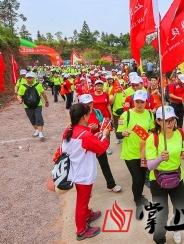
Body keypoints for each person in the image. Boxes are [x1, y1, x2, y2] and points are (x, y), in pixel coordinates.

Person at [62, 103, 111, 241]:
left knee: (84, 198)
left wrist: (94, 133)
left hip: (75, 171)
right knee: (81, 201)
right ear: (84, 117)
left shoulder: (69, 131)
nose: (90, 117)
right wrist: (105, 135)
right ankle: (81, 230)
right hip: (83, 173)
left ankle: (87, 214)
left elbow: (84, 143)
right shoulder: (84, 135)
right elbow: (101, 148)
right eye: (89, 114)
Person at [145, 106, 184, 244]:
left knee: (182, 211)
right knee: (161, 215)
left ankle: (175, 227)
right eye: (167, 120)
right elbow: (150, 165)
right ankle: (160, 240)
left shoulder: (180, 133)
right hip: (158, 181)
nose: (171, 123)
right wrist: (160, 158)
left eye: (172, 120)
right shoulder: (153, 138)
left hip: (177, 178)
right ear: (158, 121)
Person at [116, 90, 155, 220]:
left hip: (144, 152)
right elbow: (117, 133)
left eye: (142, 102)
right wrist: (124, 133)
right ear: (133, 102)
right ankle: (138, 201)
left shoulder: (150, 114)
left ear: (146, 102)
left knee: (143, 177)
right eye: (137, 102)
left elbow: (152, 129)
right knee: (137, 179)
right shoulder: (126, 115)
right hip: (130, 153)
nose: (139, 104)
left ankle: (140, 196)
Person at [79, 94, 122, 192]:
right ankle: (85, 189)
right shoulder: (79, 115)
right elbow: (77, 130)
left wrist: (100, 126)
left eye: (90, 102)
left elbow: (103, 124)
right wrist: (88, 127)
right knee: (87, 167)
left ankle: (111, 185)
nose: (89, 105)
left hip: (97, 142)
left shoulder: (97, 111)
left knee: (104, 164)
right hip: (87, 145)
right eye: (86, 103)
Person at [16, 72, 49, 141]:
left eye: (31, 78)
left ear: (33, 78)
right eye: (28, 78)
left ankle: (40, 133)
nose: (29, 79)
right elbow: (19, 95)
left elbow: (43, 94)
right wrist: (19, 99)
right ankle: (36, 130)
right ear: (26, 78)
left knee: (38, 117)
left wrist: (46, 101)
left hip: (38, 104)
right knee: (32, 118)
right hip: (27, 105)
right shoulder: (22, 86)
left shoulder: (38, 85)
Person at [91, 80, 114, 154]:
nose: (99, 87)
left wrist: (111, 115)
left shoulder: (105, 94)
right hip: (96, 117)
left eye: (100, 86)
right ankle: (98, 145)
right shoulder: (91, 95)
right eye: (97, 86)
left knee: (107, 132)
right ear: (95, 86)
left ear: (102, 87)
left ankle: (107, 146)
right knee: (97, 131)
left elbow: (108, 105)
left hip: (105, 117)